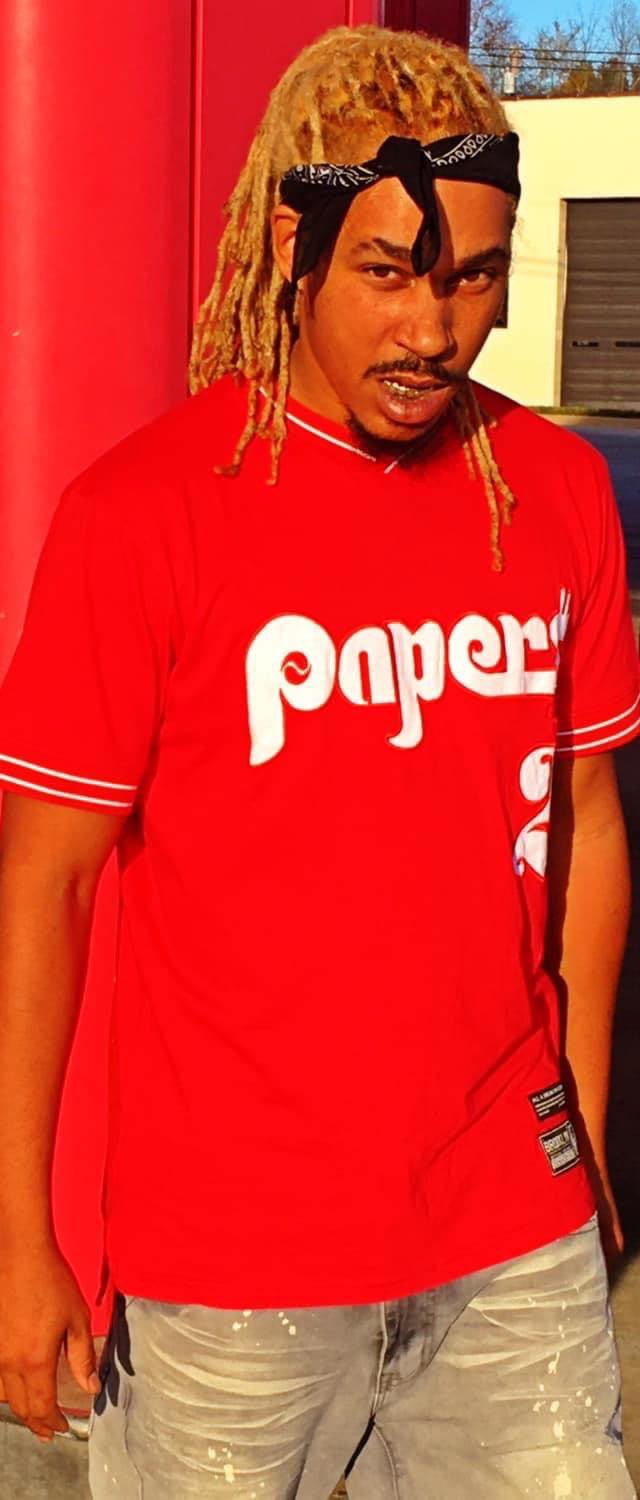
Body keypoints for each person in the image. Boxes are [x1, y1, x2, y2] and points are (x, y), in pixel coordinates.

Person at [0, 21, 638, 1499]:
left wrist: (585, 1140)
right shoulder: (144, 514)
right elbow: (44, 885)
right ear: (293, 247)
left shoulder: (554, 490)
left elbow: (591, 824)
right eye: (389, 272)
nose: (435, 328)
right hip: (233, 1264)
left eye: (474, 277)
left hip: (512, 1233)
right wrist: (19, 1233)